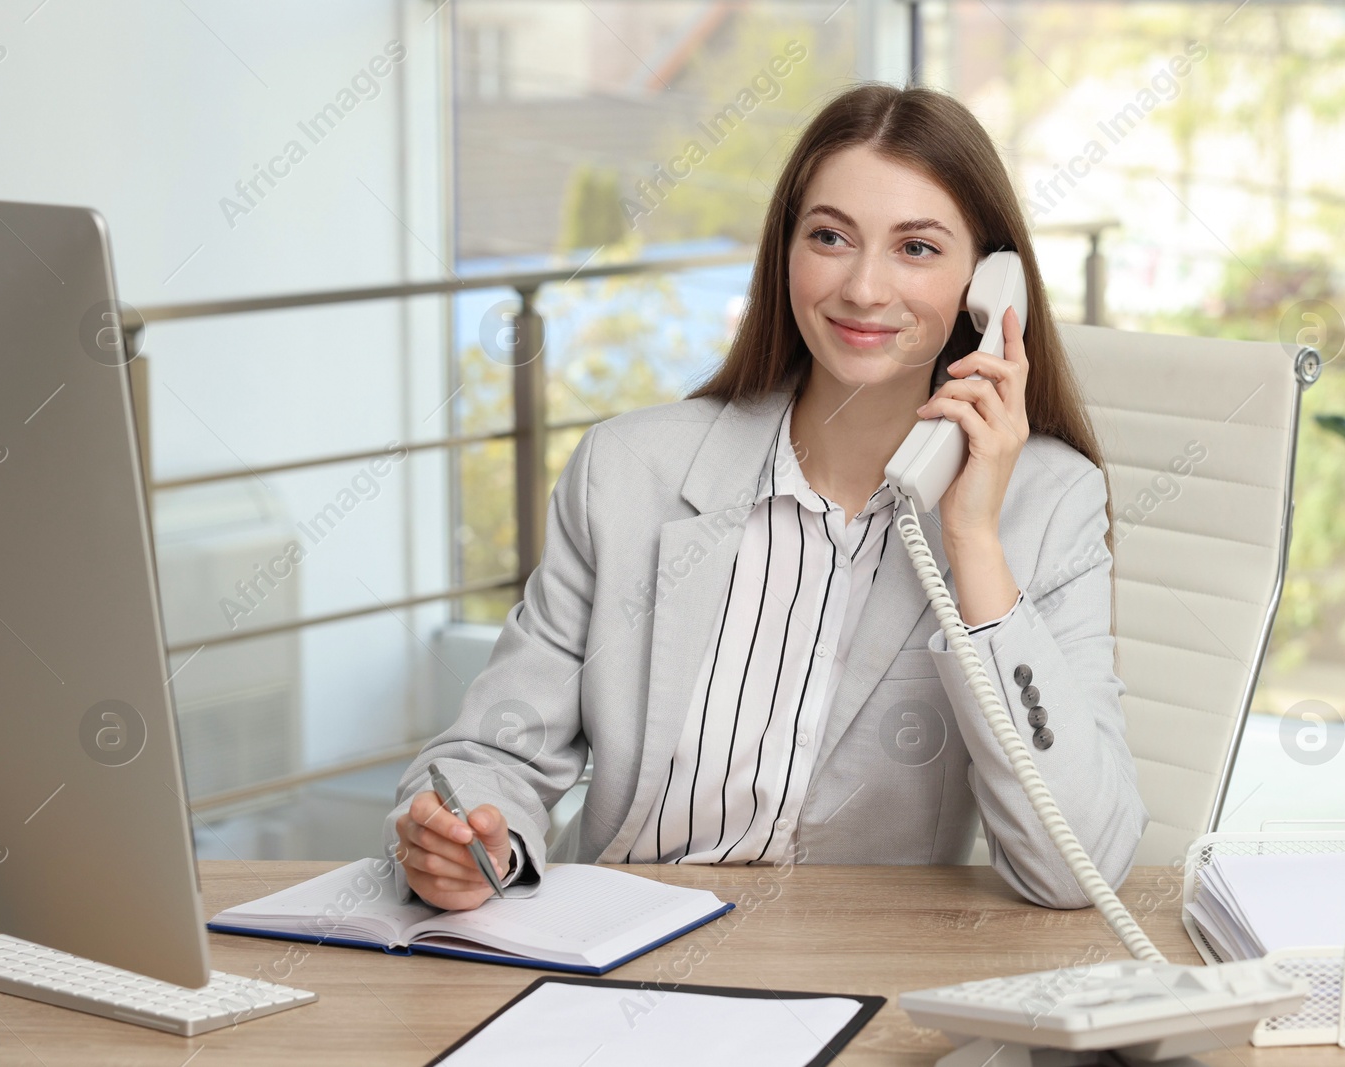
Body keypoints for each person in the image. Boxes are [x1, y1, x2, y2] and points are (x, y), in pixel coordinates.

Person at [384, 82, 1146, 912]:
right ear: (786, 251)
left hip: (849, 972)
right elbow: (493, 751)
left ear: (989, 282)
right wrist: (466, 835)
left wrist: (972, 541)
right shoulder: (628, 472)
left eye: (917, 248)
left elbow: (1080, 868)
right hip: (610, 955)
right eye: (830, 237)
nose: (862, 287)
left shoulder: (1048, 505)